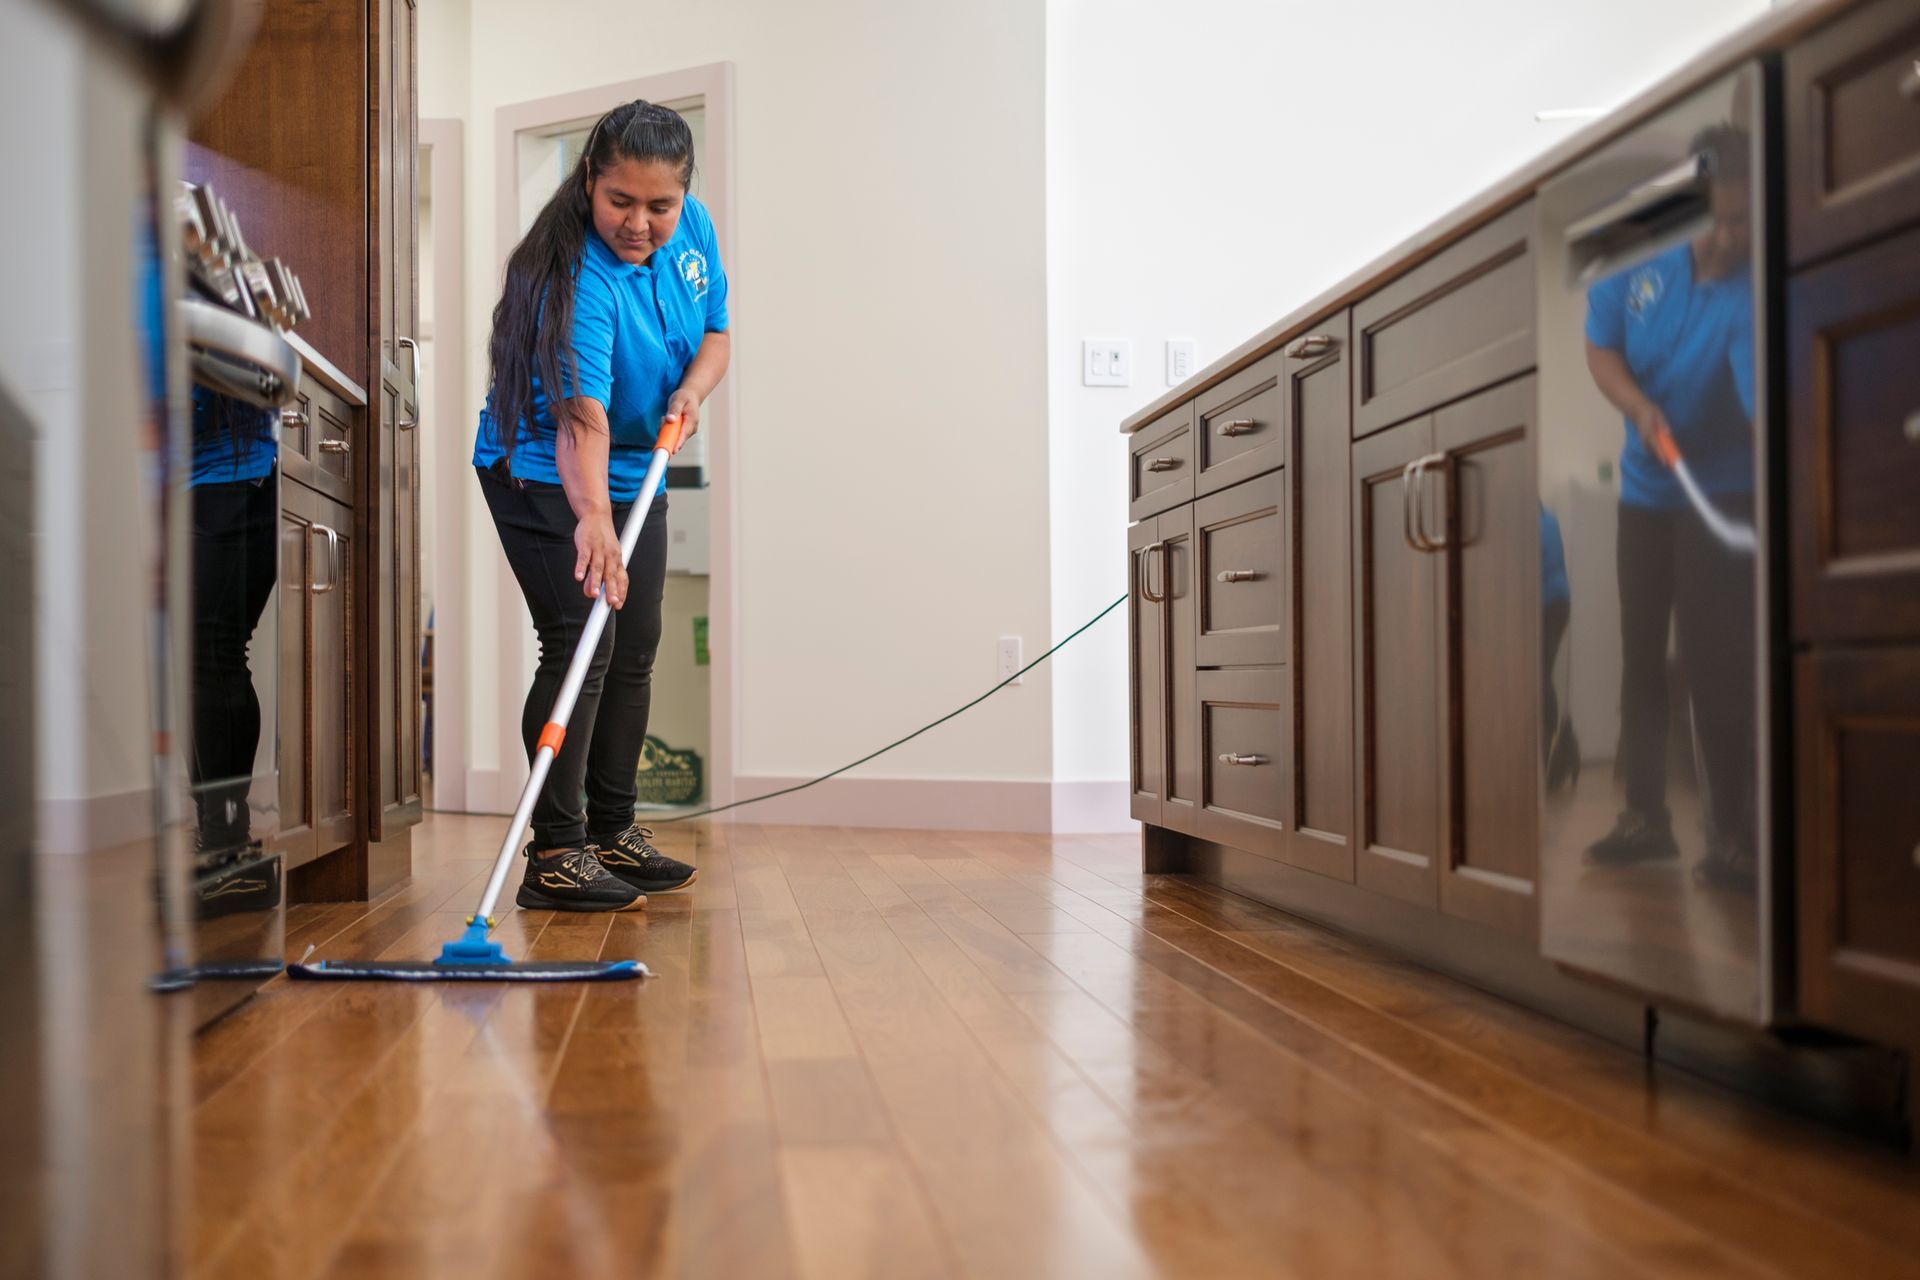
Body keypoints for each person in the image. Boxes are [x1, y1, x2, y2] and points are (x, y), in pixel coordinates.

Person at [474, 100, 727, 911]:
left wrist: (692, 387)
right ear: (590, 179)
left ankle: (614, 831)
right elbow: (580, 416)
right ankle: (557, 854)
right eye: (621, 201)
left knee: (636, 642)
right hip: (543, 473)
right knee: (581, 641)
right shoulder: (577, 281)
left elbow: (718, 330)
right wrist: (591, 521)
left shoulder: (693, 232)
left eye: (661, 205)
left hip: (632, 470)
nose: (641, 222)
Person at [1582, 123, 1756, 888]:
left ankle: (1733, 836)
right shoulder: (1634, 243)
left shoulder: (1759, 288)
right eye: (1713, 218)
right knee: (1640, 659)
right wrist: (1638, 407)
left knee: (1719, 663)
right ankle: (1645, 818)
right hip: (1645, 492)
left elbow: (1758, 400)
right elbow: (1601, 343)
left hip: (1723, 491)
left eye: (1741, 222)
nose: (1722, 239)